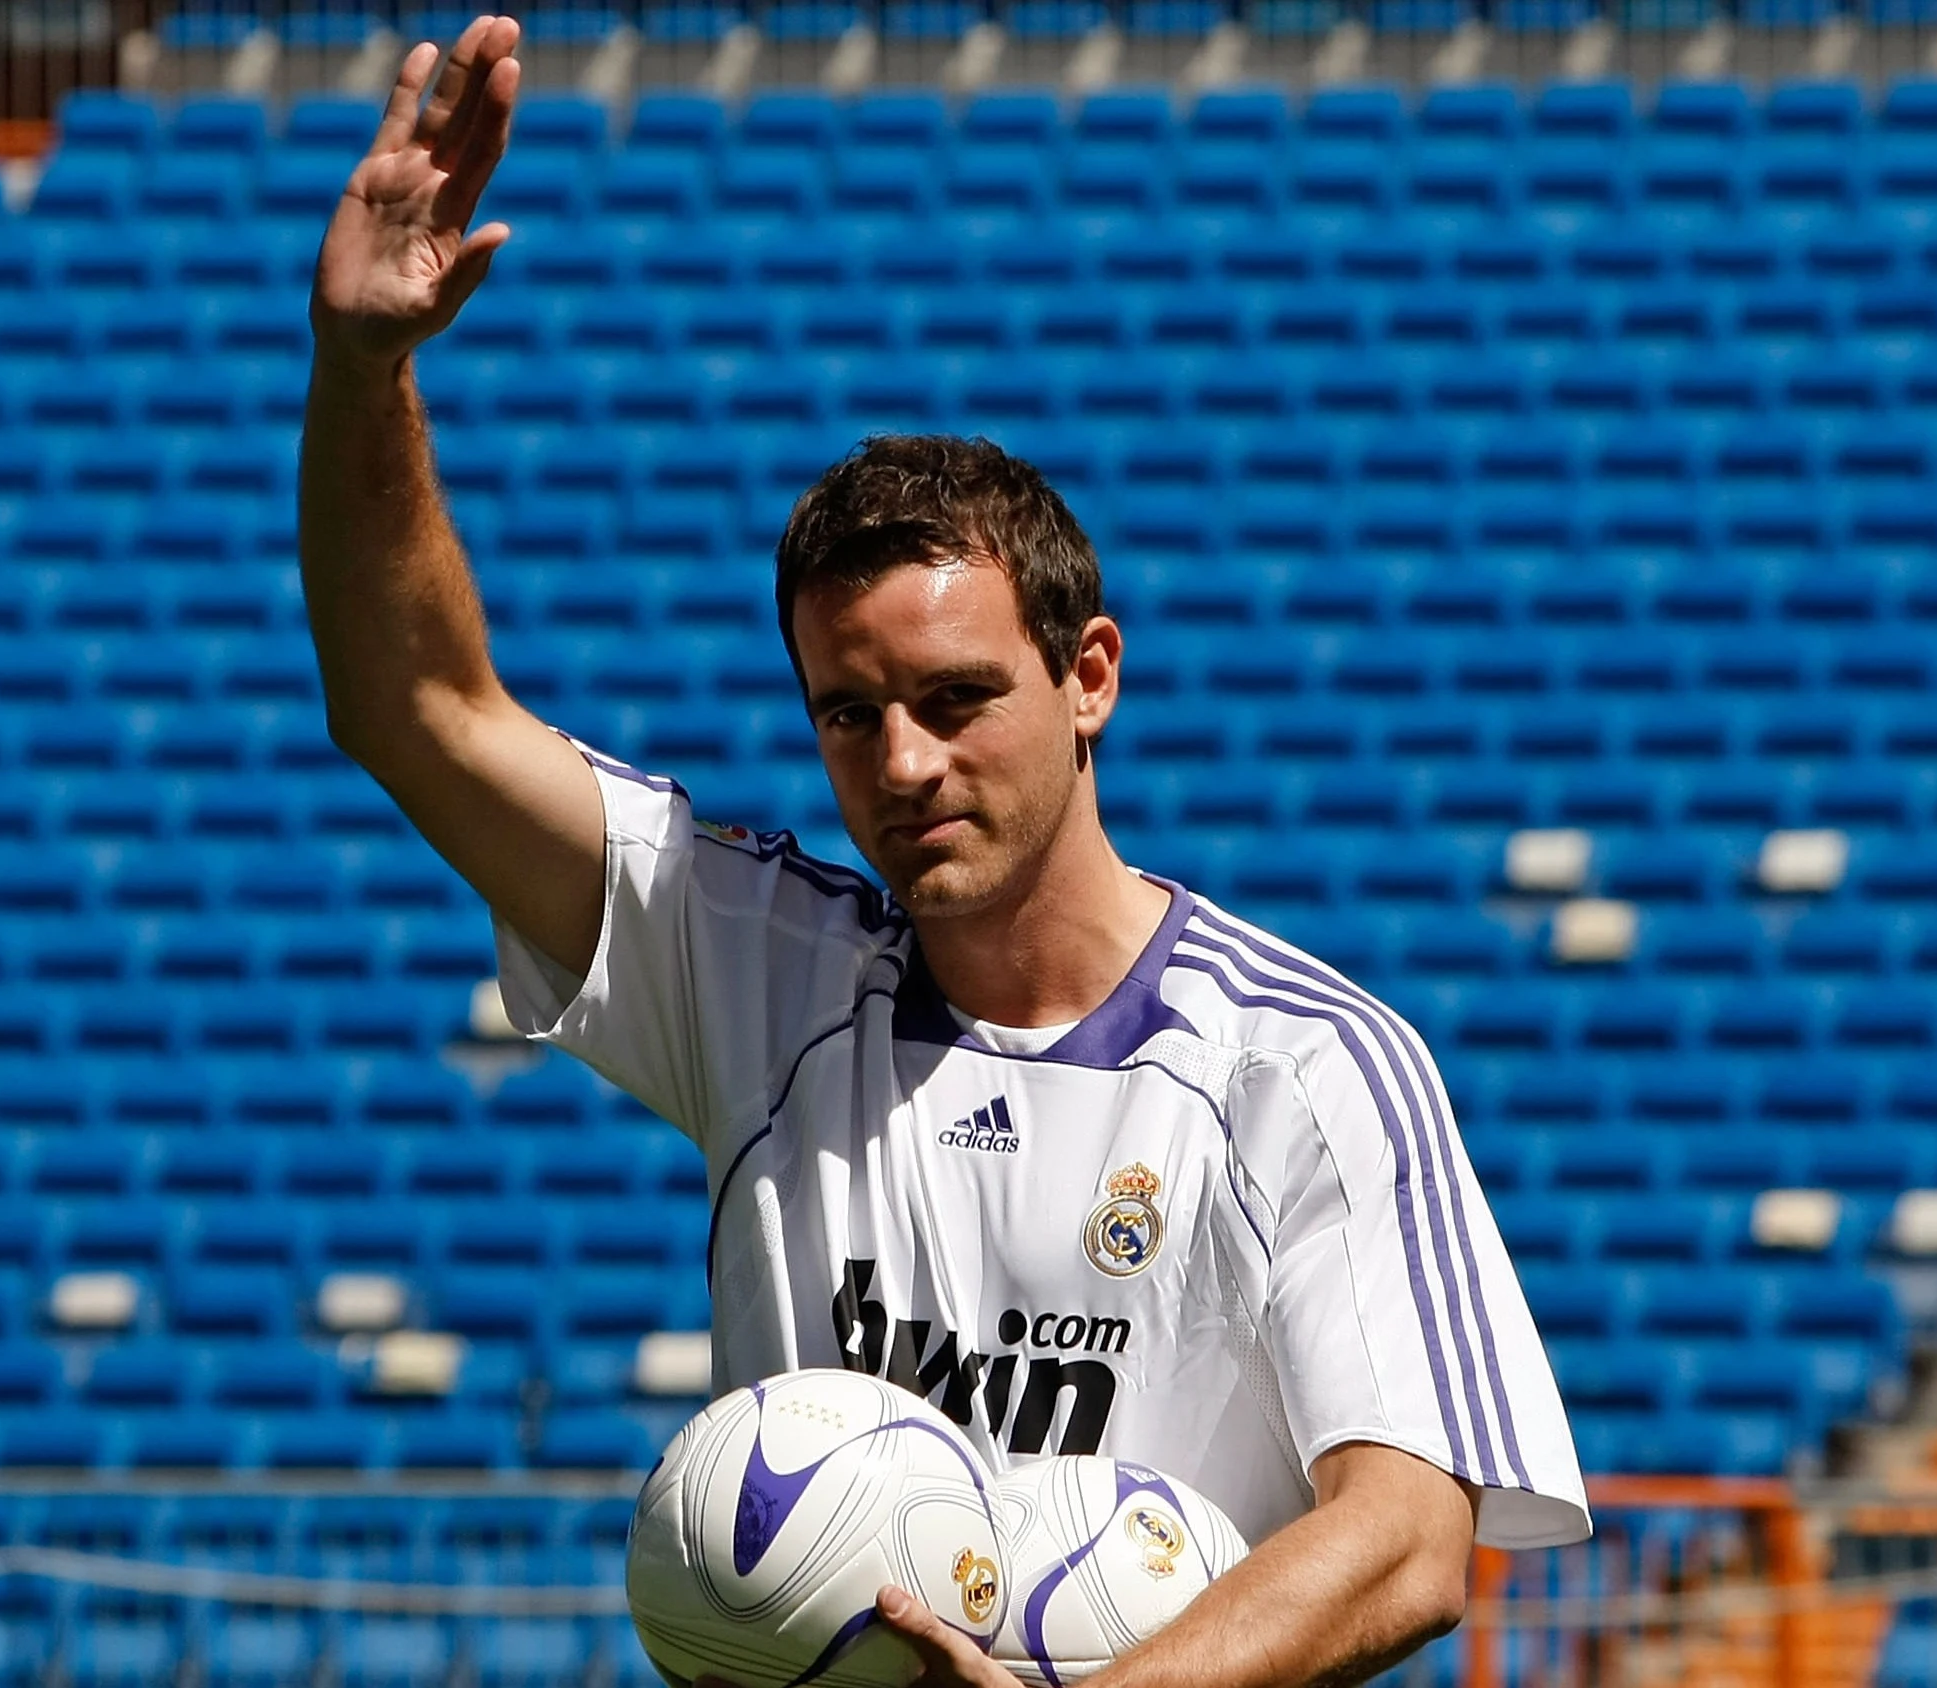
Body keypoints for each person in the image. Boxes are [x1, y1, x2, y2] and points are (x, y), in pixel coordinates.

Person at [299, 17, 1591, 1685]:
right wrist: (361, 371)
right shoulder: (759, 972)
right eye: (848, 712)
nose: (902, 761)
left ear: (1090, 677)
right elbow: (414, 706)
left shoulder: (1306, 1065)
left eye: (957, 697)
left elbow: (1408, 1540)